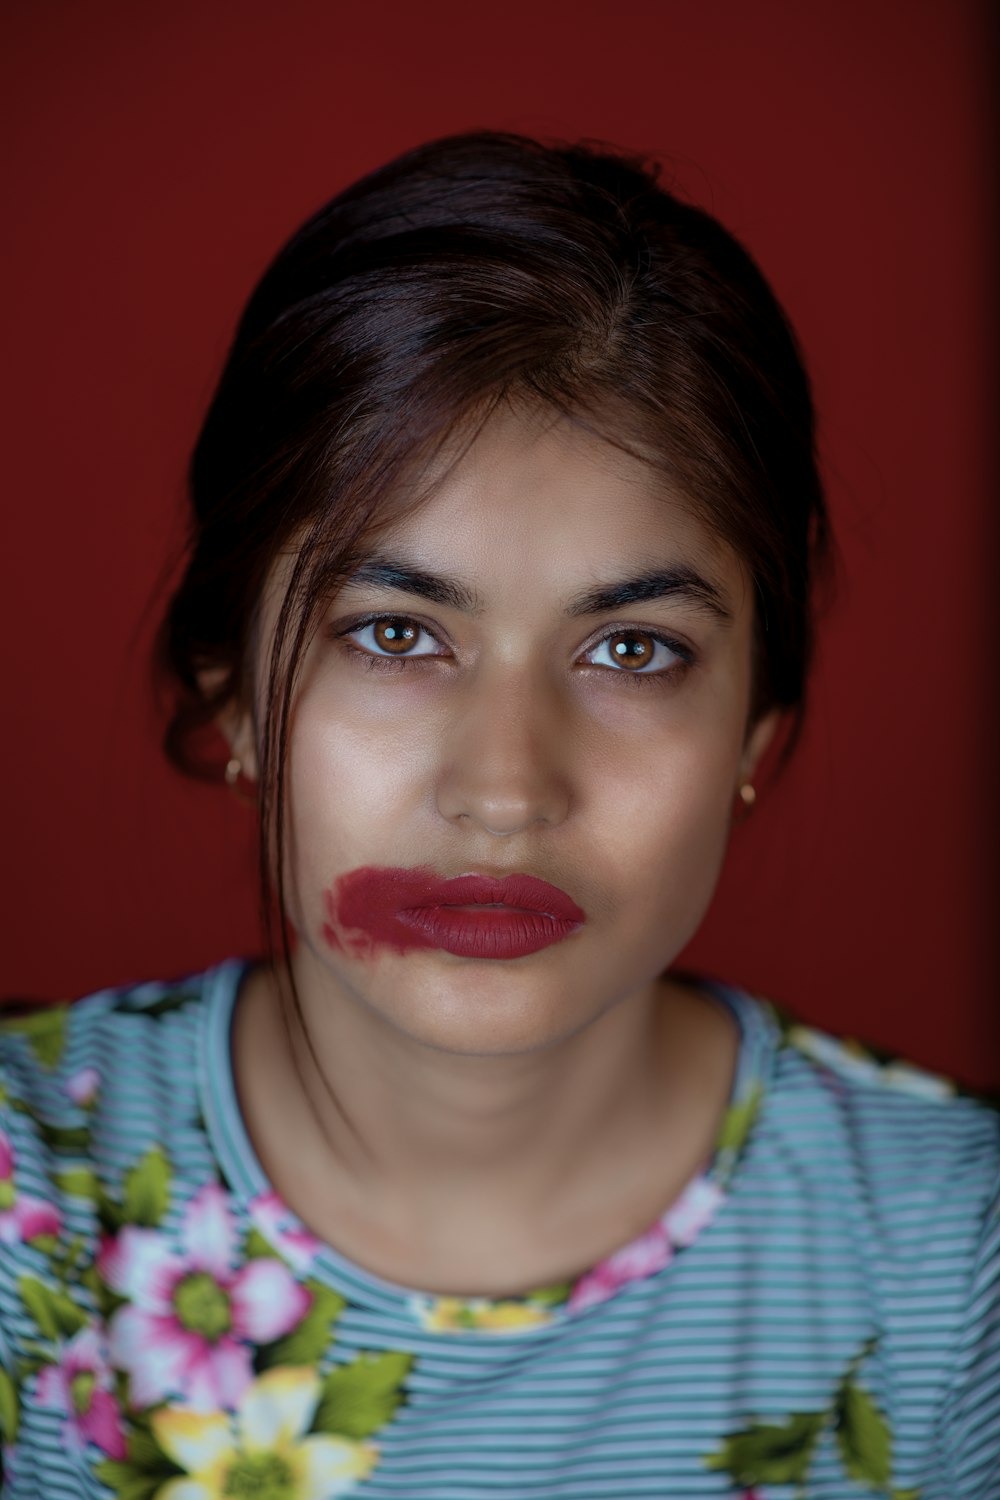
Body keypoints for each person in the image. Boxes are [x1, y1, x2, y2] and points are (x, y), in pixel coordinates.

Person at [0, 132, 996, 1500]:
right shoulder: (20, 1209)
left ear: (757, 735)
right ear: (228, 696)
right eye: (397, 633)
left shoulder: (965, 1259)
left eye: (633, 650)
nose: (506, 789)